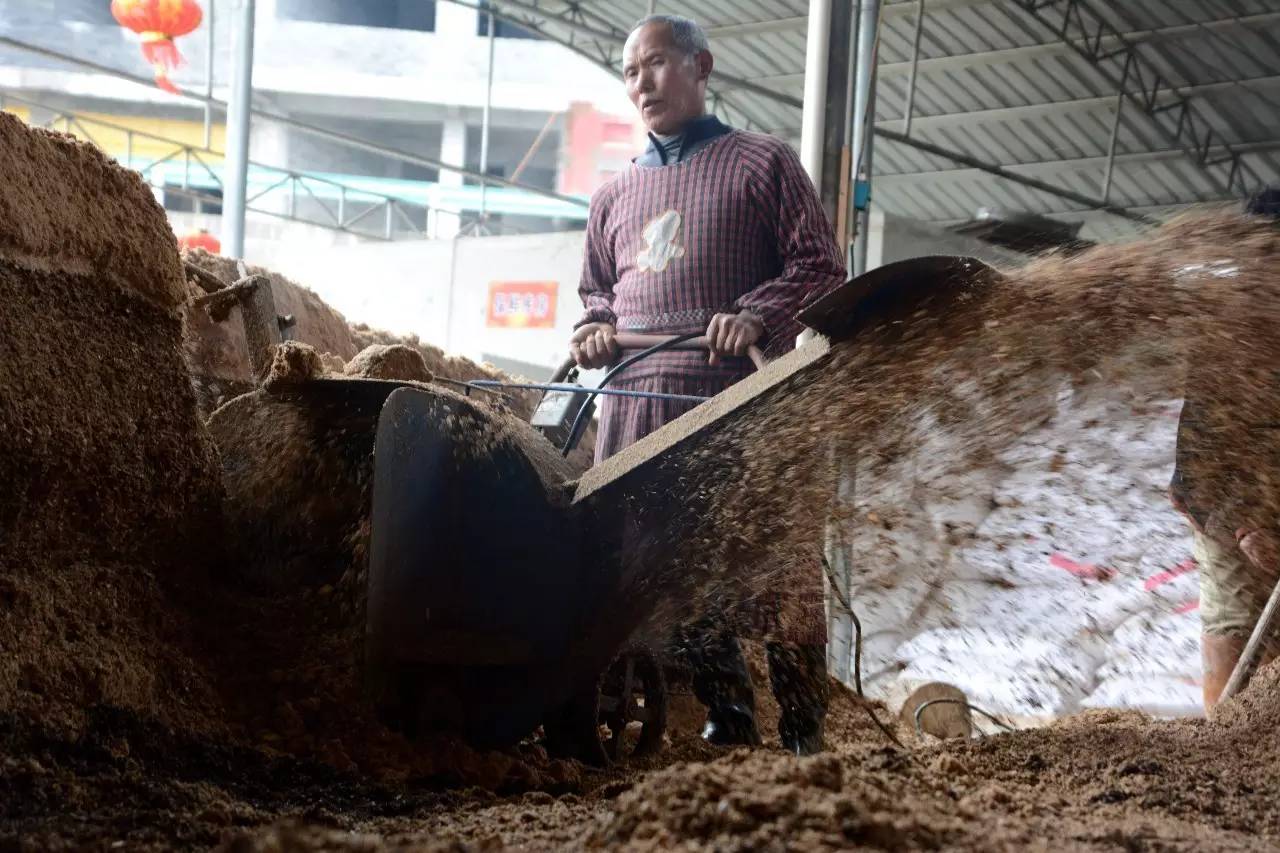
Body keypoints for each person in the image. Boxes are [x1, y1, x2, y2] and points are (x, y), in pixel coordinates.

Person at [568, 14, 847, 754]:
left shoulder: (763, 163)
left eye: (655, 64)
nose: (641, 83)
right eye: (630, 72)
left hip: (740, 403)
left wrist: (755, 315)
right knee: (671, 561)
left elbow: (819, 266)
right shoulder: (612, 196)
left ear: (701, 66)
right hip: (639, 410)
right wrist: (593, 330)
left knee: (775, 564)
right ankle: (729, 713)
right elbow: (597, 293)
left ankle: (803, 724)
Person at [1170, 186, 1280, 713]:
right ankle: (1222, 743)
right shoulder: (1231, 330)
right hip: (1228, 507)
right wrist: (1245, 528)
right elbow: (1204, 453)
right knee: (1236, 622)